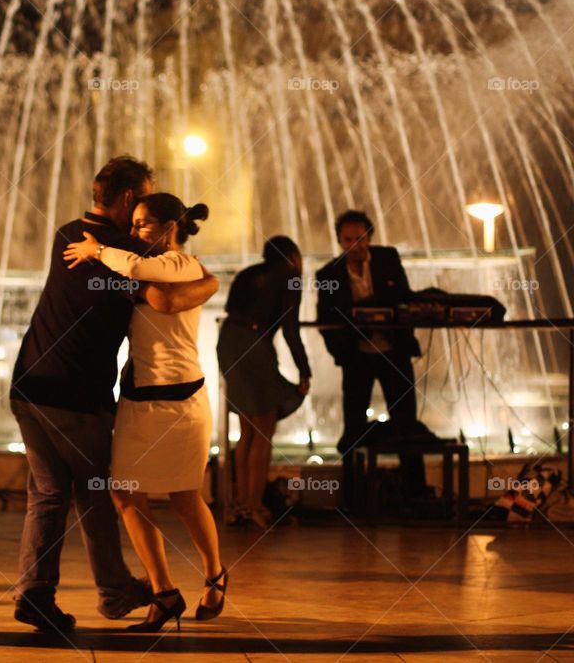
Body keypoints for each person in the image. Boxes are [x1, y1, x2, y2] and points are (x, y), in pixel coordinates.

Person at [9, 157, 219, 631]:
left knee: (47, 493)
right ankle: (116, 590)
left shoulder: (69, 233)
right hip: (76, 393)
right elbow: (164, 298)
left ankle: (36, 593)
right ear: (127, 199)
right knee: (103, 491)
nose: (141, 216)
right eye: (140, 201)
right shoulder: (125, 249)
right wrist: (211, 280)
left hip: (30, 384)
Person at [63, 192, 224, 632]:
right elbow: (143, 284)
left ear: (170, 227)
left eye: (143, 224)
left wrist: (96, 249)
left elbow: (140, 273)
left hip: (183, 400)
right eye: (132, 224)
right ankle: (165, 591)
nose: (134, 232)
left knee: (186, 495)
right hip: (138, 398)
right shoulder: (152, 265)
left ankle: (214, 574)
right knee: (125, 493)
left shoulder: (183, 265)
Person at [316, 209, 427, 508]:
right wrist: (343, 350)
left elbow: (405, 298)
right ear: (339, 241)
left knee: (406, 420)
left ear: (370, 237)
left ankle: (415, 493)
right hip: (357, 357)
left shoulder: (388, 259)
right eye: (349, 240)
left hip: (393, 351)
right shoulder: (328, 275)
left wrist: (391, 323)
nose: (356, 246)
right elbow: (324, 320)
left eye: (361, 238)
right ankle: (353, 495)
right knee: (353, 423)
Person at [217, 236, 311, 529]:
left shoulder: (248, 273)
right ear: (293, 256)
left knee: (247, 429)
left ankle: (241, 504)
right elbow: (291, 329)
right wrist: (305, 370)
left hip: (229, 341)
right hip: (254, 345)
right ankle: (255, 505)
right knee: (264, 429)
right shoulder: (290, 277)